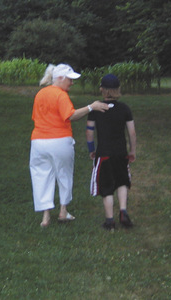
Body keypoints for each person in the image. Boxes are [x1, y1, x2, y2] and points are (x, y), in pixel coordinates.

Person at [30, 63, 109, 227]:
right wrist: (91, 107)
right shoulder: (61, 95)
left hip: (38, 142)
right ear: (60, 78)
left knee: (42, 177)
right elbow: (71, 116)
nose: (72, 83)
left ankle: (46, 217)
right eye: (70, 80)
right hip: (59, 140)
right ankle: (63, 211)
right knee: (64, 175)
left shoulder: (40, 94)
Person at [86, 74, 136, 231]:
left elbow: (89, 132)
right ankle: (123, 211)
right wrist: (132, 151)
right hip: (121, 153)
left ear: (102, 89)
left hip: (104, 153)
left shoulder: (96, 109)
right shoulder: (125, 108)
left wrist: (91, 149)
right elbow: (132, 132)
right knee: (122, 181)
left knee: (106, 186)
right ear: (118, 90)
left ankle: (109, 220)